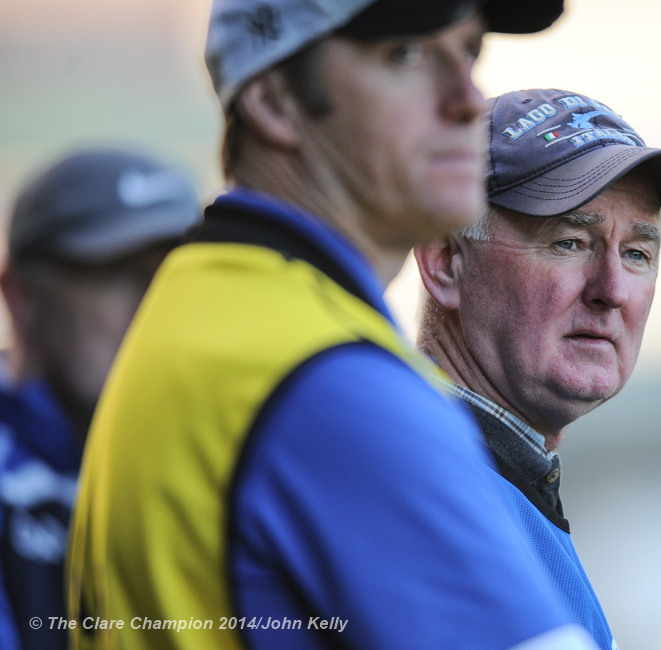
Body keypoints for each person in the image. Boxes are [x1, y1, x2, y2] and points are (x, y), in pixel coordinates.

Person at [67, 2, 599, 649]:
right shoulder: (330, 382)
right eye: (405, 54)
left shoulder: (201, 306)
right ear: (274, 101)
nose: (468, 101)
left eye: (468, 53)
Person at [415, 87, 661, 649]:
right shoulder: (420, 489)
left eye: (637, 254)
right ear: (445, 263)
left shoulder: (495, 481)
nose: (613, 291)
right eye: (570, 242)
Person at [0, 147, 201, 649]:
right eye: (119, 275)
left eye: (180, 277)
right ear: (20, 294)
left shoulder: (217, 449)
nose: (157, 305)